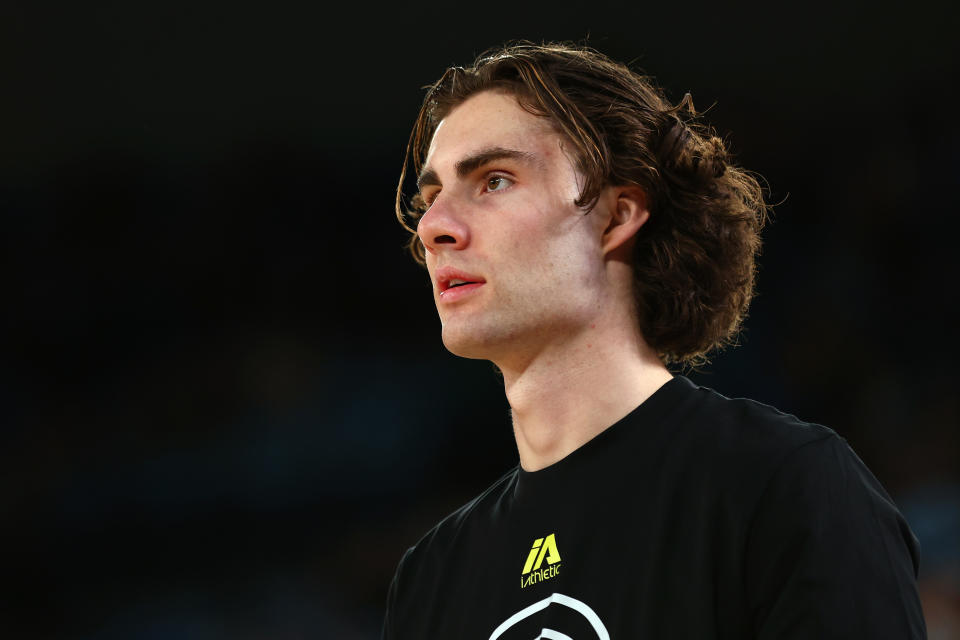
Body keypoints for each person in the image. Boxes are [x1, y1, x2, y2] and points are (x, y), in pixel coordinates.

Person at [382, 42, 926, 639]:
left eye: (495, 180)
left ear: (617, 217)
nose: (433, 228)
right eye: (430, 199)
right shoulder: (431, 578)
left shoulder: (781, 485)